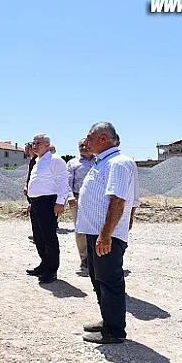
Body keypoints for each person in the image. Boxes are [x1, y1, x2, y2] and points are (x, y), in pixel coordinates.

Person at [76, 121, 139, 345]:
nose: (85, 141)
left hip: (106, 236)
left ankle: (115, 330)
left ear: (103, 138)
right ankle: (108, 320)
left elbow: (118, 200)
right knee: (98, 279)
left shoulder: (118, 163)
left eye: (89, 137)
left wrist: (106, 235)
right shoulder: (102, 162)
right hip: (95, 233)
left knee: (109, 281)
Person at [25, 134, 70, 284]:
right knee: (38, 237)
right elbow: (38, 183)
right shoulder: (37, 161)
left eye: (38, 143)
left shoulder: (55, 160)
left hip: (48, 202)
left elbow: (63, 182)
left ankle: (51, 270)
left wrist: (60, 202)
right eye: (33, 143)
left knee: (49, 237)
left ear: (48, 145)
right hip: (37, 202)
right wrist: (32, 202)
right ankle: (44, 264)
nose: (35, 145)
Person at [66, 138, 97, 270]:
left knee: (98, 228)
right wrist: (70, 197)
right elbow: (67, 183)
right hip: (78, 199)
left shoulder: (99, 161)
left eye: (86, 145)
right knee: (81, 229)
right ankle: (85, 258)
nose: (83, 147)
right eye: (80, 146)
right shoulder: (73, 163)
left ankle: (98, 256)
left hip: (98, 199)